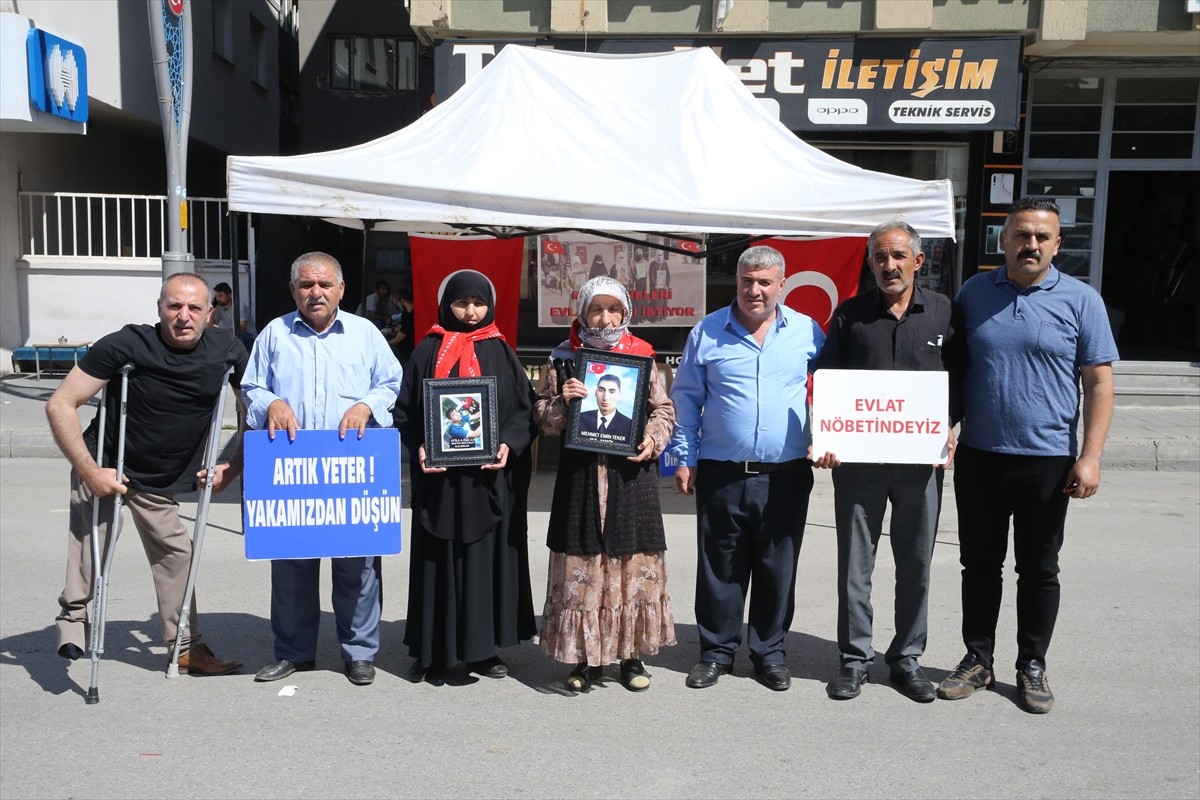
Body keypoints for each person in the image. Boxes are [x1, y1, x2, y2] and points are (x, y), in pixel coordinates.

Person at [938, 198, 1118, 714]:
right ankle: (978, 659)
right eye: (1021, 235)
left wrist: (1091, 457)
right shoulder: (974, 294)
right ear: (1004, 241)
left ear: (1058, 244)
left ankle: (1031, 665)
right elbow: (954, 369)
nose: (1030, 245)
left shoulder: (1082, 301)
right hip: (980, 456)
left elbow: (1099, 384)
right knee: (979, 564)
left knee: (1038, 568)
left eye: (1041, 237)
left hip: (1048, 460)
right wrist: (943, 424)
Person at [46, 272, 245, 676]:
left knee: (177, 553)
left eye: (194, 308)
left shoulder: (227, 350)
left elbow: (251, 412)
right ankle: (73, 621)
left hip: (159, 478)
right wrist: (89, 470)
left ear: (210, 312)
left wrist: (234, 467)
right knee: (93, 543)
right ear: (159, 308)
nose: (184, 316)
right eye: (174, 306)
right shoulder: (126, 344)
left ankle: (184, 647)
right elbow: (60, 404)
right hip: (107, 463)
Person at [812, 221, 960, 704]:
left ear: (918, 260)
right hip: (859, 463)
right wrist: (828, 435)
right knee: (855, 566)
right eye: (880, 256)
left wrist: (950, 425)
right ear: (871, 262)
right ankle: (855, 659)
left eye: (898, 256)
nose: (889, 265)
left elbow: (960, 376)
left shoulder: (943, 311)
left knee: (916, 565)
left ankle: (906, 659)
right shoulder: (850, 314)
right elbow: (828, 378)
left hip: (921, 462)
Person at [242, 252, 402, 687]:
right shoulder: (274, 334)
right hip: (292, 468)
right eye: (307, 285)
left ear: (341, 290)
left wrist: (366, 405)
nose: (316, 293)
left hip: (351, 468)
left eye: (325, 285)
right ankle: (293, 652)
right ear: (293, 290)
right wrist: (271, 402)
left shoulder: (365, 334)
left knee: (358, 566)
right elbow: (251, 385)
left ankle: (359, 653)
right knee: (292, 566)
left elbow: (391, 382)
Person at [669, 245, 825, 692]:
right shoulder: (707, 332)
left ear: (782, 284)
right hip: (722, 471)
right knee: (721, 566)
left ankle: (769, 654)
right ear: (737, 282)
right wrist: (684, 457)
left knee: (778, 567)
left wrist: (829, 434)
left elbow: (834, 386)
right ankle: (716, 652)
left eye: (764, 282)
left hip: (786, 473)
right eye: (746, 281)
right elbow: (686, 398)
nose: (754, 291)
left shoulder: (808, 332)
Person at [393, 269, 538, 681]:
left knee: (483, 563)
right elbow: (404, 411)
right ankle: (433, 652)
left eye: (478, 303)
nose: (471, 312)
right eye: (462, 303)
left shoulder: (501, 351)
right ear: (446, 305)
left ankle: (481, 652)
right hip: (440, 483)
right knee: (438, 560)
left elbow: (524, 411)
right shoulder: (427, 350)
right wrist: (421, 445)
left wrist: (508, 443)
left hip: (486, 480)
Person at [536, 276, 677, 692]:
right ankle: (586, 660)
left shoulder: (643, 357)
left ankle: (630, 656)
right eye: (596, 309)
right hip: (580, 481)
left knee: (630, 568)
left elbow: (664, 410)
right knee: (584, 571)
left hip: (630, 479)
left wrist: (652, 438)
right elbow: (541, 418)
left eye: (613, 309)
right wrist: (563, 401)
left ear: (626, 312)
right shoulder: (562, 359)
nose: (605, 317)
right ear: (582, 313)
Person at [576, 373, 634, 440]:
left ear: (619, 395)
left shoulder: (630, 426)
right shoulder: (580, 418)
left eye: (612, 392)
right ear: (596, 393)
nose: (605, 398)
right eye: (601, 390)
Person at [209, 281, 256, 350]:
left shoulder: (239, 306)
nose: (218, 299)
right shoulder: (219, 308)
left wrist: (223, 332)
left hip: (249, 338)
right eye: (216, 296)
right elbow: (210, 327)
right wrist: (212, 311)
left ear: (229, 295)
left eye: (221, 296)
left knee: (237, 335)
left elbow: (241, 328)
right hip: (230, 336)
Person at [384, 288, 415, 364]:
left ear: (402, 300)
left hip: (407, 352)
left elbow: (396, 340)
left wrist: (383, 343)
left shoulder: (411, 316)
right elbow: (402, 328)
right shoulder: (407, 313)